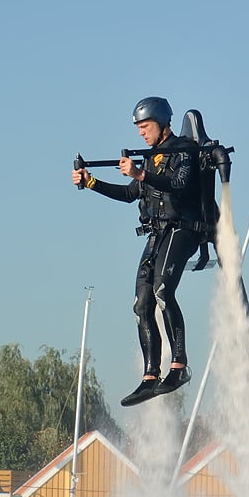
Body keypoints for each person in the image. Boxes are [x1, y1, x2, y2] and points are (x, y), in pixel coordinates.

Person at [71, 96, 202, 407]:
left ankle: (180, 366)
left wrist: (141, 174)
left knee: (161, 291)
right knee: (141, 303)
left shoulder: (184, 149)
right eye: (139, 129)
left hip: (183, 229)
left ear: (160, 123)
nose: (141, 133)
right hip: (157, 234)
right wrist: (91, 182)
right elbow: (131, 193)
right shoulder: (151, 157)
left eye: (145, 127)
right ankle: (150, 374)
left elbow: (180, 183)